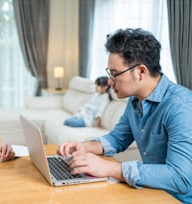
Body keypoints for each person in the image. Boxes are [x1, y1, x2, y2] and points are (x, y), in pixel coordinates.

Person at [57, 28, 192, 203]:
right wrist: (86, 147)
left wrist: (113, 168)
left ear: (141, 72)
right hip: (150, 192)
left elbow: (180, 179)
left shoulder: (181, 107)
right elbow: (118, 138)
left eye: (114, 74)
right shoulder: (135, 100)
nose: (109, 82)